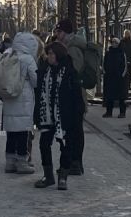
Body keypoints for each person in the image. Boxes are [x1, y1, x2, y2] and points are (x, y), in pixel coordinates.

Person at [32, 39, 82, 190]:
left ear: (58, 55)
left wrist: (76, 117)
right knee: (43, 144)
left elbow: (76, 97)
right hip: (46, 115)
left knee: (66, 146)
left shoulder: (69, 72)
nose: (49, 56)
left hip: (64, 116)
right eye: (48, 54)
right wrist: (36, 115)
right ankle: (48, 176)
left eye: (52, 54)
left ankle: (63, 178)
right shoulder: (44, 70)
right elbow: (39, 92)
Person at [51, 18, 90, 173]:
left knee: (75, 130)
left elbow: (74, 70)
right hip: (70, 95)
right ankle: (72, 162)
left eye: (59, 31)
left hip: (75, 96)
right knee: (71, 129)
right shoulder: (67, 46)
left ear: (66, 33)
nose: (56, 34)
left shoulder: (73, 48)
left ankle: (75, 163)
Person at [1, 31, 39, 173]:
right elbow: (36, 81)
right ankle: (22, 162)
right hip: (24, 99)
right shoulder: (28, 59)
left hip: (9, 97)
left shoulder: (7, 54)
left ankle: (9, 162)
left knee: (11, 132)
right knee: (23, 132)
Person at [102, 35, 129, 117]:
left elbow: (125, 65)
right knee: (109, 96)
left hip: (119, 78)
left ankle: (122, 112)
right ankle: (109, 112)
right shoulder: (108, 53)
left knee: (121, 96)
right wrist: (105, 73)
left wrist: (122, 75)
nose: (113, 44)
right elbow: (104, 64)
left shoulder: (122, 53)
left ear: (118, 44)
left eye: (115, 42)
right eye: (112, 42)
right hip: (110, 77)